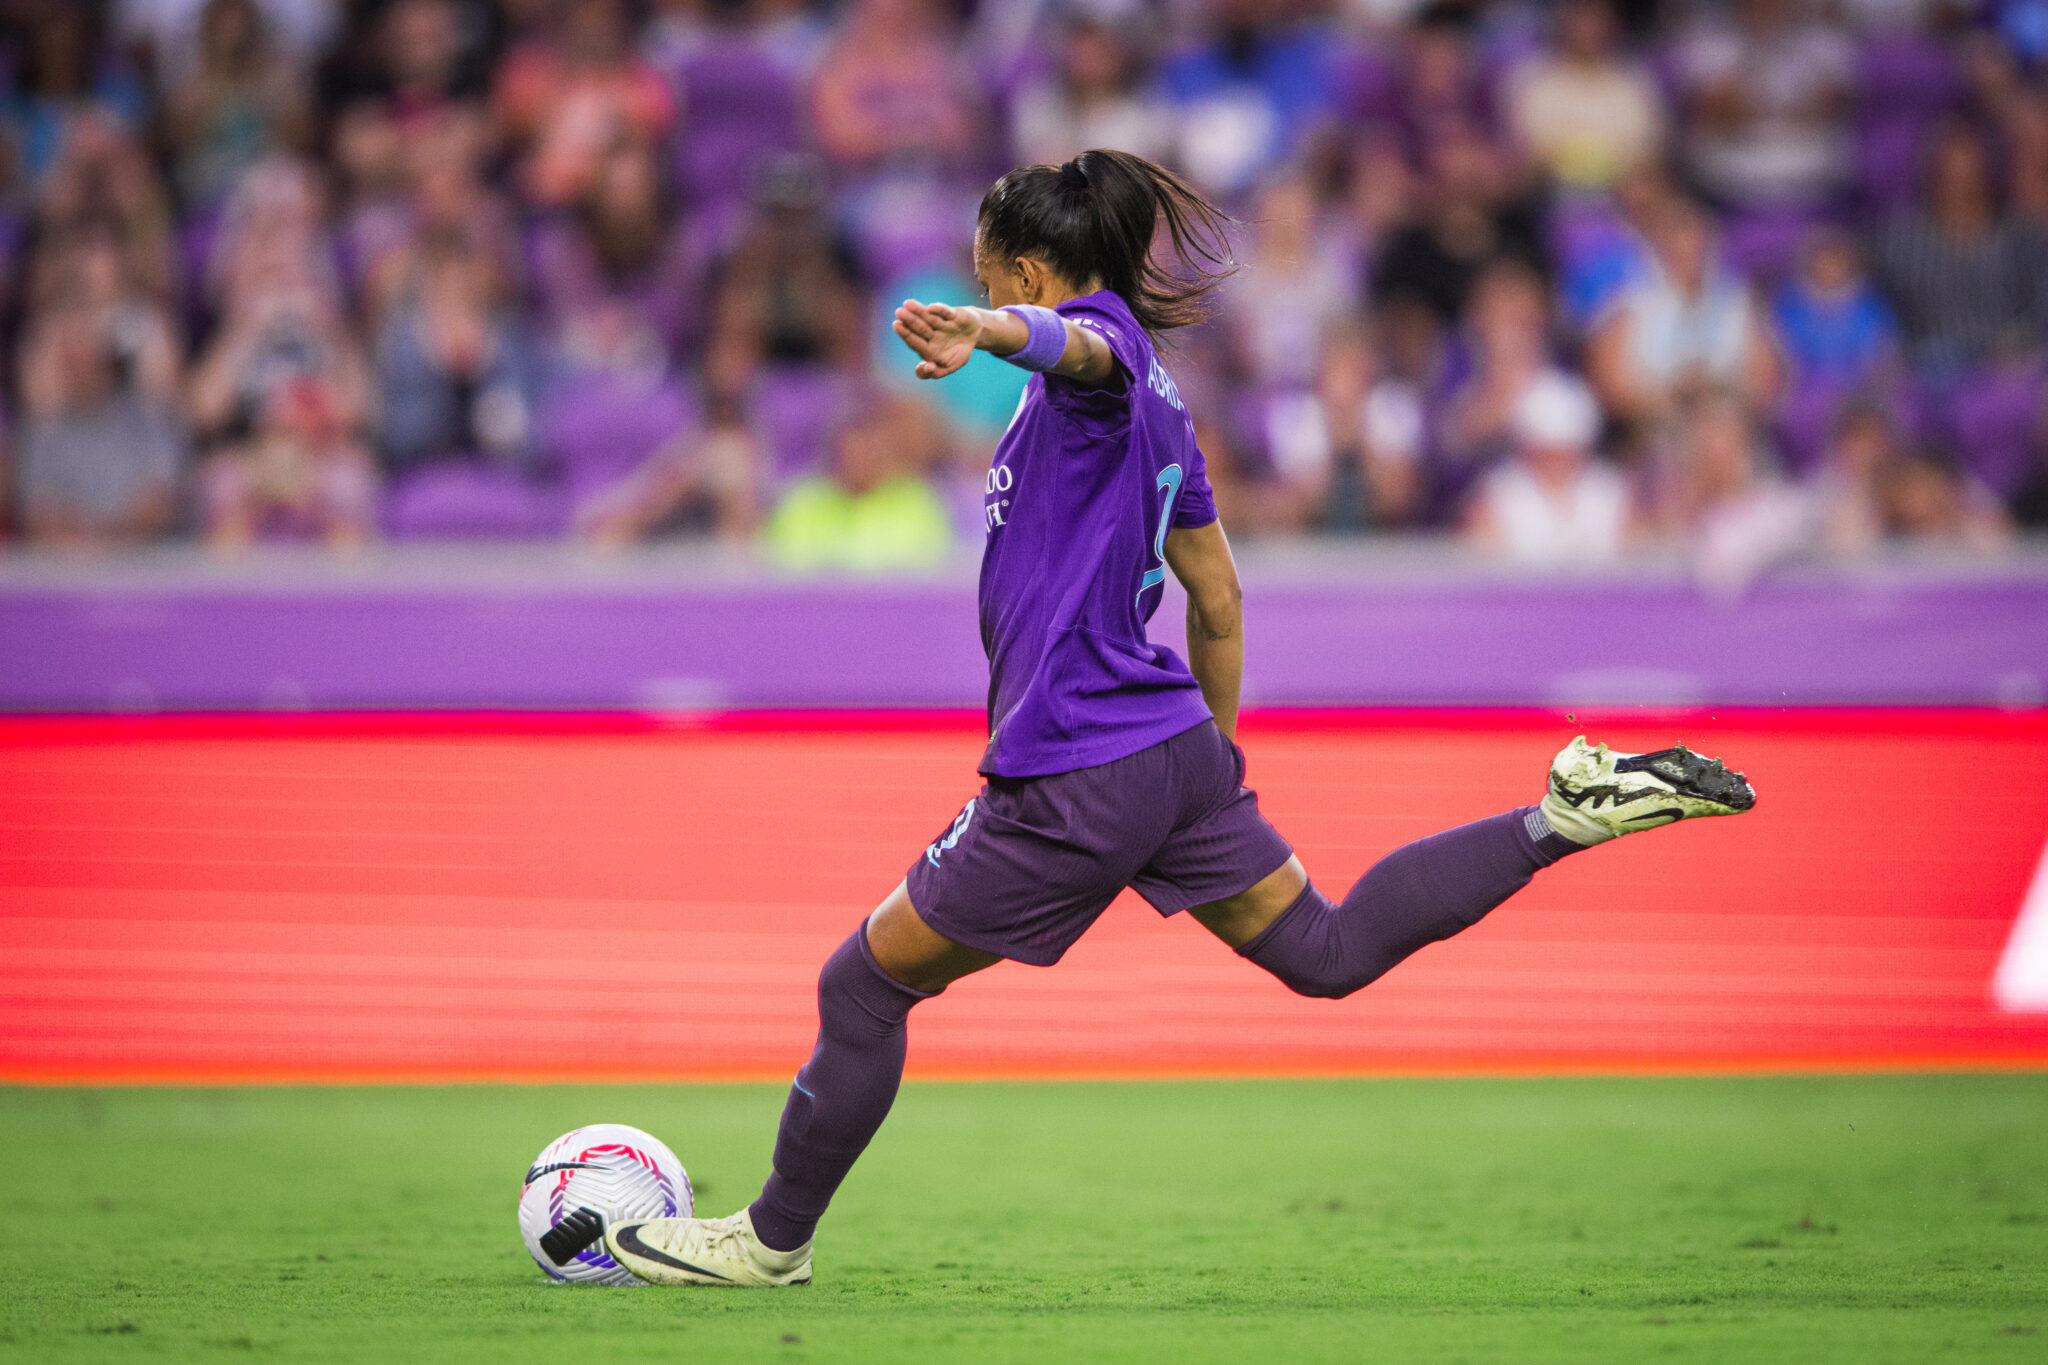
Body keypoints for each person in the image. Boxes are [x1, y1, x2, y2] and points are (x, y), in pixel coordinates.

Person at [518, 150, 1760, 1288]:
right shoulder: (1169, 408)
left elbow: (1076, 348)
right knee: (1323, 954)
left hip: (1072, 758)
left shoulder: (1096, 357)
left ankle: (769, 1243)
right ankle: (1559, 813)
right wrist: (1211, 761)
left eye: (983, 265)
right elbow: (1215, 595)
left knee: (862, 986)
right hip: (1164, 745)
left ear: (1021, 267)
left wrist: (992, 331)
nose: (972, 281)